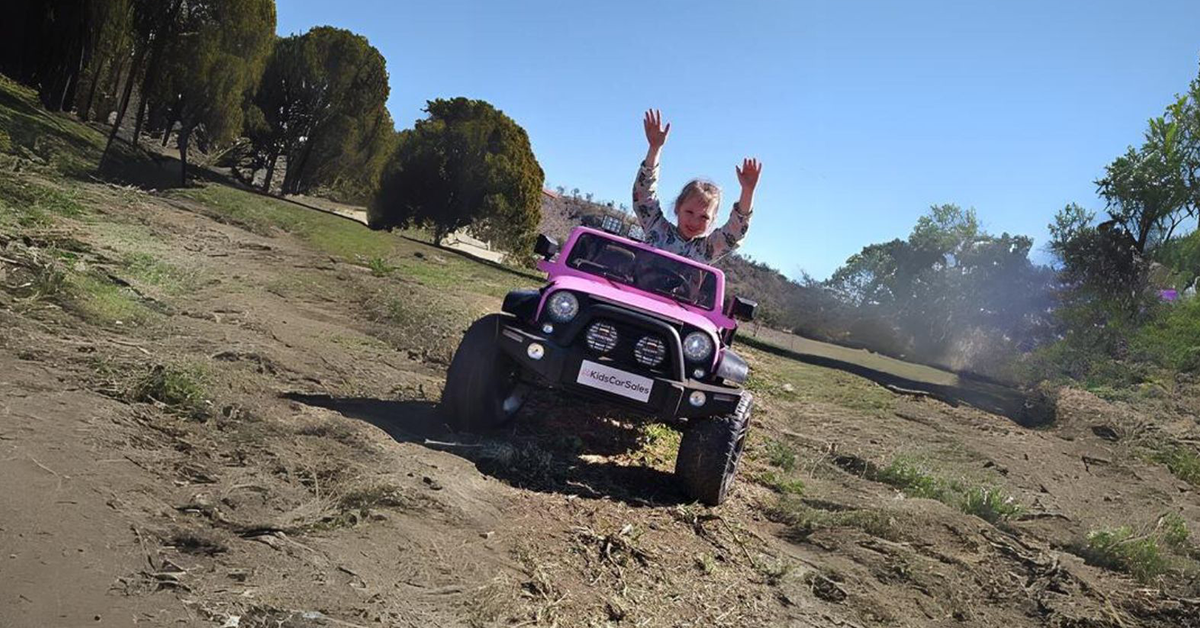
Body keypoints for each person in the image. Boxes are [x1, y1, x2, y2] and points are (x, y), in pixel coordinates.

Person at [632, 109, 761, 263]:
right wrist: (654, 149)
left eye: (704, 217)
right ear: (677, 208)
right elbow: (643, 196)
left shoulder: (706, 250)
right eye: (689, 212)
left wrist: (747, 191)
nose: (694, 221)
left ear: (713, 220)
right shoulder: (657, 227)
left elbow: (734, 233)